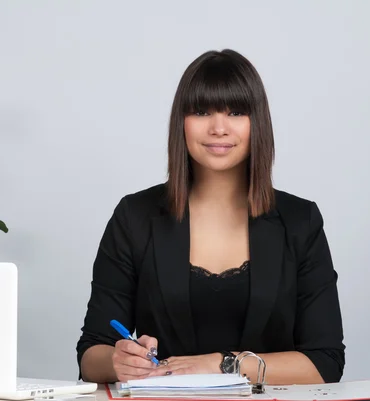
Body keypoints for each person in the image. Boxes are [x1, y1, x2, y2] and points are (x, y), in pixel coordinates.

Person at [75, 49, 345, 386]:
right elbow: (91, 354)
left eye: (235, 111)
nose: (219, 128)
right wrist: (120, 362)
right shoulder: (135, 217)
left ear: (257, 123)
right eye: (201, 111)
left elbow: (326, 361)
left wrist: (223, 364)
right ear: (182, 123)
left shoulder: (300, 221)